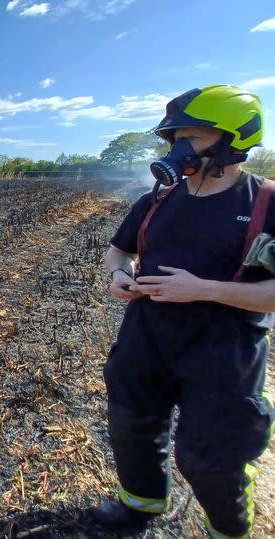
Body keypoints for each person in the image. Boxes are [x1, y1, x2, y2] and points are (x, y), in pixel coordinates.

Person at [94, 84, 275, 539]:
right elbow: (118, 252)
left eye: (189, 139)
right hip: (146, 339)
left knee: (211, 455)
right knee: (132, 428)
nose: (177, 150)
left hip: (223, 353)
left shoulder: (266, 203)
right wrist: (119, 275)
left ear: (231, 138)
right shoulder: (158, 198)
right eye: (173, 140)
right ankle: (141, 504)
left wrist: (204, 289)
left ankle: (228, 528)